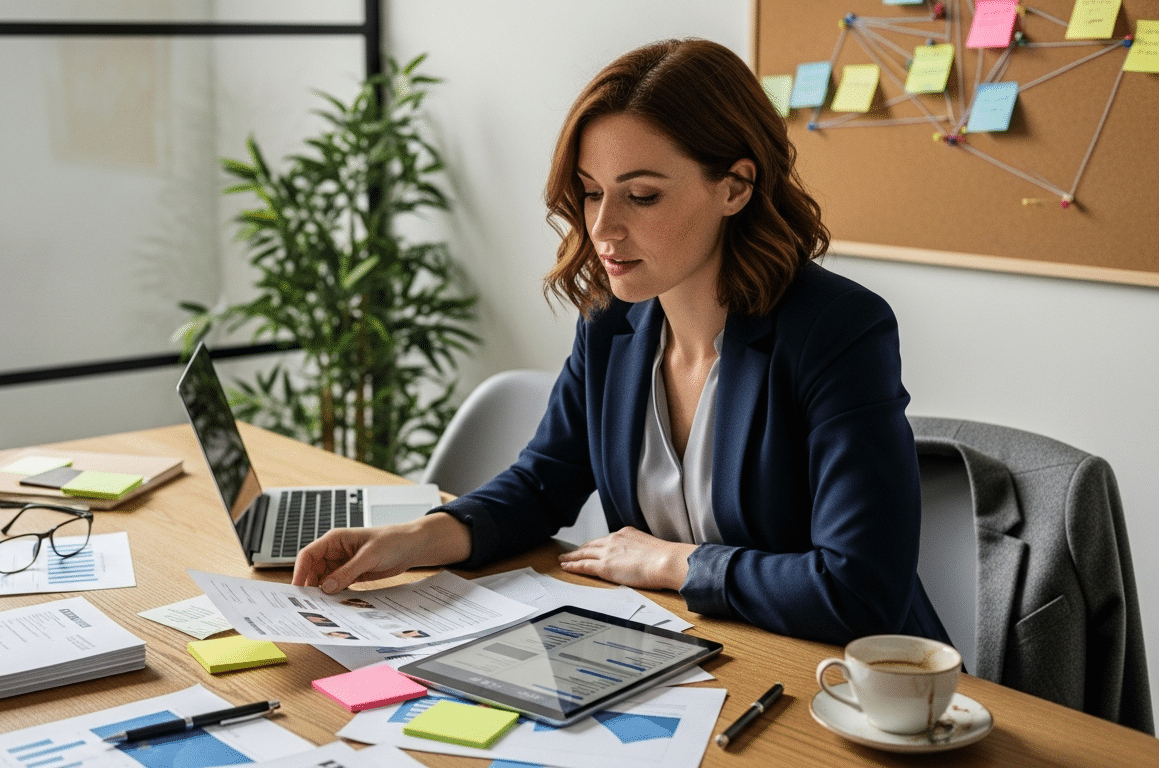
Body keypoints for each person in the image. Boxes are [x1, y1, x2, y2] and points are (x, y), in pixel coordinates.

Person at [293, 38, 950, 647]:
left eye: (640, 195)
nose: (603, 228)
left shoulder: (838, 330)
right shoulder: (611, 322)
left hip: (847, 681)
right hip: (689, 649)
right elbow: (542, 484)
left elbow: (859, 590)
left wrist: (672, 562)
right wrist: (411, 540)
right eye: (590, 193)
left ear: (735, 187)